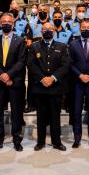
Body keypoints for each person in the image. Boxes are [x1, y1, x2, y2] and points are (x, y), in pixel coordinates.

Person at [27, 22, 69, 151]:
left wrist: (53, 78)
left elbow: (65, 65)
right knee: (41, 117)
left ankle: (57, 142)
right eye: (44, 29)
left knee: (55, 117)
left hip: (55, 88)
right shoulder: (34, 47)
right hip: (40, 88)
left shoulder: (61, 47)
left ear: (54, 31)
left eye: (50, 29)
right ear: (41, 32)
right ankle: (40, 142)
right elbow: (31, 64)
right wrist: (42, 78)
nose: (47, 31)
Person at [0, 13, 27, 152]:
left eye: (9, 22)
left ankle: (17, 139)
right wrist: (2, 75)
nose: (6, 24)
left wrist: (9, 75)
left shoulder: (20, 40)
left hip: (14, 82)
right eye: (4, 21)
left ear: (13, 24)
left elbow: (22, 61)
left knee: (16, 113)